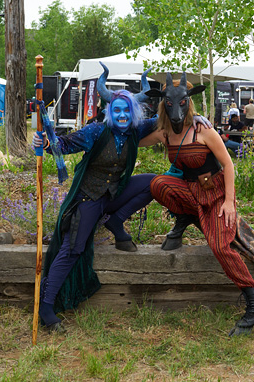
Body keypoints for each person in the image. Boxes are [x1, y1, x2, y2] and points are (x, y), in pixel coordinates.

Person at [32, 63, 208, 332]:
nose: (123, 115)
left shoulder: (136, 129)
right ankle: (46, 307)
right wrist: (44, 142)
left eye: (127, 110)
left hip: (113, 195)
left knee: (155, 182)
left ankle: (116, 222)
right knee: (74, 248)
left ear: (133, 112)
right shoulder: (96, 132)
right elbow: (64, 144)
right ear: (109, 112)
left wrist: (195, 118)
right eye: (118, 110)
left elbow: (171, 118)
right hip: (89, 198)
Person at [141, 72, 254, 337]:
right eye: (170, 103)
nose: (176, 109)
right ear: (163, 103)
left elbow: (228, 165)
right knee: (159, 184)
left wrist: (229, 202)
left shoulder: (203, 130)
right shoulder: (164, 133)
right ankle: (185, 218)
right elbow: (135, 142)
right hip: (192, 192)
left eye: (181, 103)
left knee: (219, 245)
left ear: (188, 102)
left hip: (216, 194)